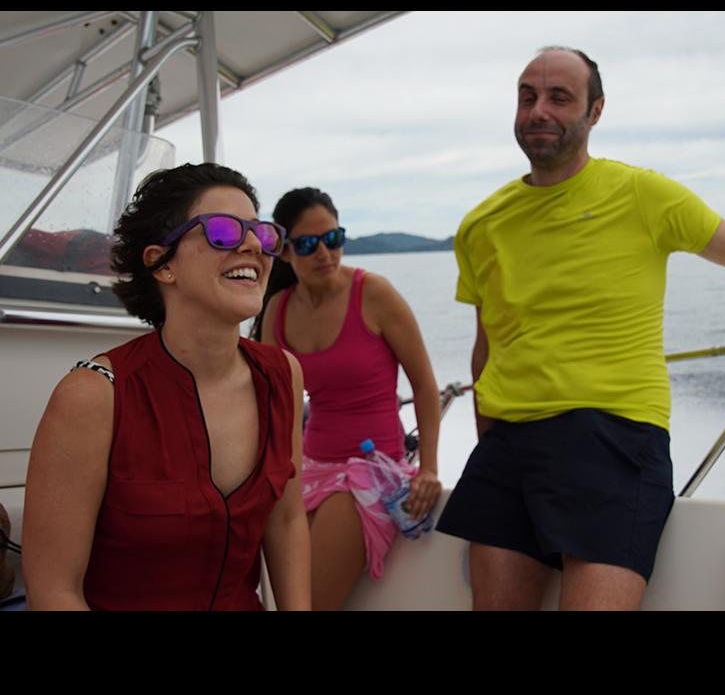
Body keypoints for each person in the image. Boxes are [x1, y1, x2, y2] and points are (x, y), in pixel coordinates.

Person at [436, 47, 725, 611]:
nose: (539, 110)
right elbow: (486, 350)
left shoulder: (644, 195)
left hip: (614, 436)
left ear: (595, 110)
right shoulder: (480, 225)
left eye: (559, 97)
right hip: (508, 446)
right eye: (527, 96)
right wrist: (489, 443)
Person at [22, 163, 311, 611]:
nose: (254, 245)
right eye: (223, 231)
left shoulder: (281, 375)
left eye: (261, 232)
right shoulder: (93, 396)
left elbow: (286, 521)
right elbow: (54, 591)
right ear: (163, 264)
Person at [251, 188, 442, 610]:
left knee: (309, 603)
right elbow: (272, 406)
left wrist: (428, 467)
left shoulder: (374, 293)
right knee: (283, 598)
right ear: (285, 251)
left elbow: (425, 386)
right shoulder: (277, 309)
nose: (324, 253)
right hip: (308, 468)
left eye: (333, 239)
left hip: (371, 471)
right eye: (308, 244)